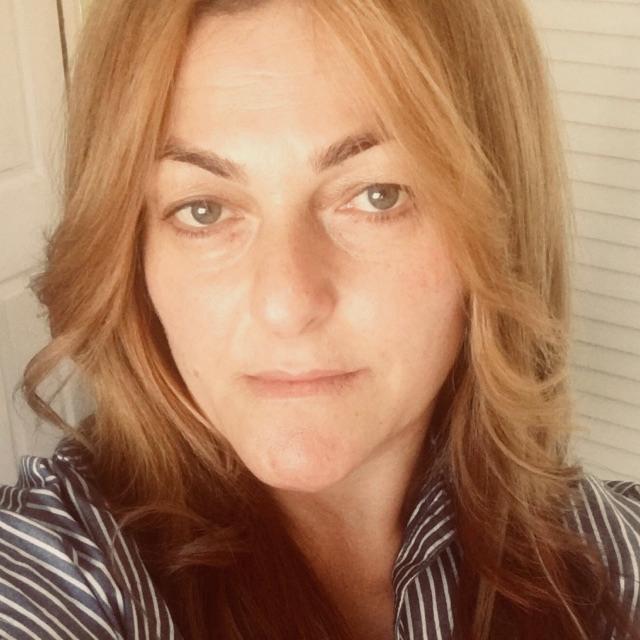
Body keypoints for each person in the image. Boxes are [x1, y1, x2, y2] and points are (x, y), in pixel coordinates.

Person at [0, 0, 639, 638]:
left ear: (501, 222)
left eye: (377, 196)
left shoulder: (615, 561)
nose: (285, 304)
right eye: (203, 209)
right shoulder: (61, 570)